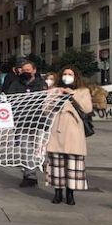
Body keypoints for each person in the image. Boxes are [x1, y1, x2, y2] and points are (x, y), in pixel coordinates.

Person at [46, 66, 92, 205]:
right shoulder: (54, 90)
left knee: (73, 165)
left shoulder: (83, 91)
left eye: (70, 74)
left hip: (74, 132)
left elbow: (87, 108)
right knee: (56, 165)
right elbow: (45, 109)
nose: (67, 76)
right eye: (65, 74)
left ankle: (70, 193)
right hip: (57, 132)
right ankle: (58, 193)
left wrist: (72, 93)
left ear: (76, 76)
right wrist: (55, 96)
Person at [4, 60, 47, 187]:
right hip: (22, 121)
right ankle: (30, 175)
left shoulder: (41, 84)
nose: (26, 72)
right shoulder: (16, 83)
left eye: (28, 70)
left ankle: (32, 172)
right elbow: (10, 98)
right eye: (23, 70)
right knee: (24, 148)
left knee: (36, 149)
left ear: (34, 70)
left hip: (38, 121)